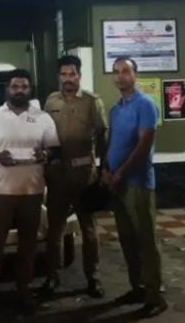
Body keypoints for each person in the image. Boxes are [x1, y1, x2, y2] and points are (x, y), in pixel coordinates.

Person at [0, 69, 60, 316]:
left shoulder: (43, 118)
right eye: (14, 86)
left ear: (30, 89)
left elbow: (55, 148)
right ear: (7, 89)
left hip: (32, 190)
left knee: (28, 244)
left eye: (23, 86)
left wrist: (46, 154)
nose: (19, 90)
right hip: (1, 191)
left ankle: (24, 291)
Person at [102, 57, 167, 318]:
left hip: (138, 184)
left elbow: (143, 145)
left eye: (125, 71)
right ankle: (137, 288)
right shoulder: (115, 109)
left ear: (135, 75)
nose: (120, 76)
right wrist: (106, 169)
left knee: (145, 240)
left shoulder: (146, 104)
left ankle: (155, 296)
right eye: (116, 72)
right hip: (117, 184)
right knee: (127, 239)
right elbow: (111, 143)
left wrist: (121, 172)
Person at [42, 54, 108, 298]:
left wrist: (103, 169)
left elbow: (102, 136)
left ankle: (94, 278)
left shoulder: (92, 101)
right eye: (64, 74)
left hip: (84, 175)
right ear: (59, 76)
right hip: (57, 175)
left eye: (72, 74)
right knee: (54, 229)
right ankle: (53, 276)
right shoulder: (51, 100)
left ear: (79, 75)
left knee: (88, 230)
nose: (68, 78)